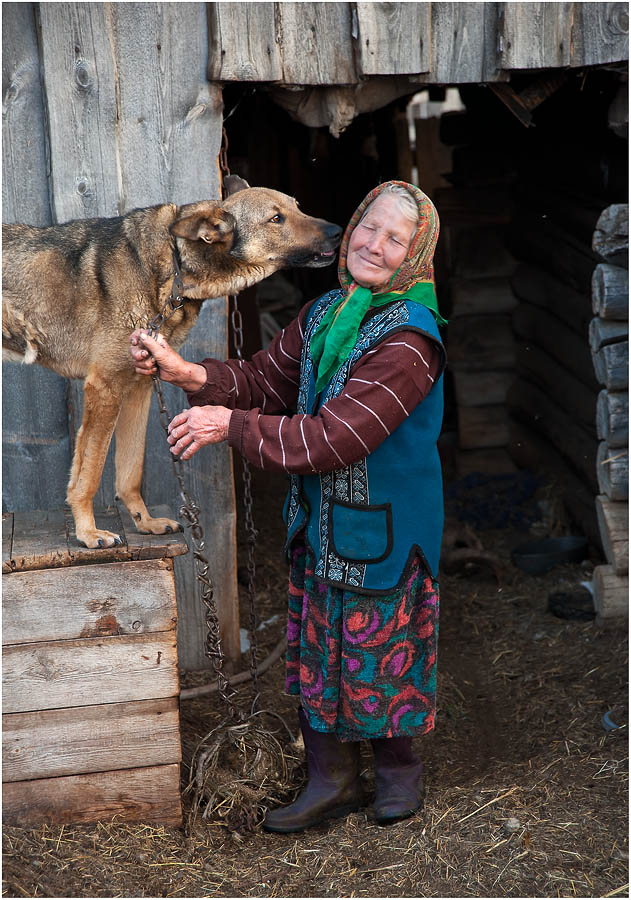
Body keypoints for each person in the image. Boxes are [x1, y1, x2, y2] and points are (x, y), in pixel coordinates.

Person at [130, 180, 446, 832]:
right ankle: (329, 778)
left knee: (376, 651)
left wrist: (231, 427)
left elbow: (337, 437)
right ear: (351, 226)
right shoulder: (329, 313)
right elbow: (263, 381)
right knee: (319, 648)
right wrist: (189, 374)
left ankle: (395, 773)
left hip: (386, 529)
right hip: (325, 523)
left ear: (414, 256)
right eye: (367, 227)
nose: (373, 245)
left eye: (395, 239)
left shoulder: (410, 344)